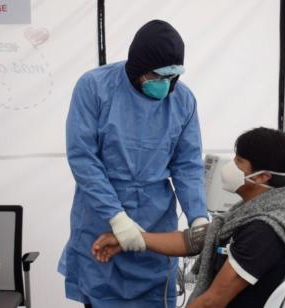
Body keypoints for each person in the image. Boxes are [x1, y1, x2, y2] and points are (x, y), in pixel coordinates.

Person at [58, 20, 209, 308]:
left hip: (156, 223)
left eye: (172, 76)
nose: (165, 85)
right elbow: (83, 158)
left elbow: (187, 165)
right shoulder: (95, 87)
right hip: (101, 217)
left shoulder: (183, 99)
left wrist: (198, 217)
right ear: (137, 67)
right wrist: (117, 217)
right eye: (157, 76)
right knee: (103, 296)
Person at [92, 127, 285, 308]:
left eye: (239, 161)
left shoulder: (263, 231)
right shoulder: (248, 214)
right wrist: (133, 237)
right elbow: (193, 240)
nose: (230, 166)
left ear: (262, 176)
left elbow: (212, 302)